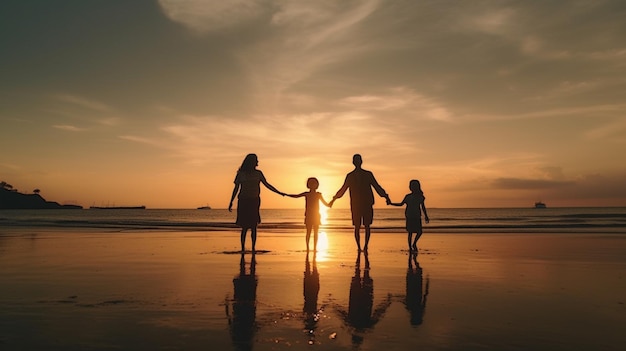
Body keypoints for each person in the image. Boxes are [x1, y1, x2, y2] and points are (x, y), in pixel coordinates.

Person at [329, 154, 390, 252]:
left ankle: (366, 246)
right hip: (356, 205)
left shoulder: (368, 174)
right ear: (353, 162)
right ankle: (358, 247)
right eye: (355, 160)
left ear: (361, 161)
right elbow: (343, 189)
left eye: (358, 160)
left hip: (367, 203)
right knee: (357, 226)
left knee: (367, 225)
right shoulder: (350, 176)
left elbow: (377, 187)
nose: (357, 162)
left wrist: (385, 196)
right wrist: (334, 199)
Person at [228, 153, 285, 252]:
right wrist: (231, 201)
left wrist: (279, 192)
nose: (258, 162)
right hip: (243, 201)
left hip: (254, 201)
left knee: (254, 226)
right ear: (251, 162)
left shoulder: (258, 173)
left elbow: (267, 184)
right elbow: (236, 188)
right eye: (256, 160)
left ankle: (253, 248)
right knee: (245, 227)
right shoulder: (241, 174)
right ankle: (243, 248)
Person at [286, 177, 330, 251]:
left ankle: (315, 248)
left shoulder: (318, 195)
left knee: (316, 232)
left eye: (314, 183)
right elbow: (296, 196)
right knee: (308, 232)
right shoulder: (306, 194)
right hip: (309, 215)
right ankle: (308, 248)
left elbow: (326, 204)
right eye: (311, 183)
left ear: (317, 185)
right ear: (308, 185)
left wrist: (333, 201)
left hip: (316, 215)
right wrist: (286, 194)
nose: (313, 185)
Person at [388, 179, 429, 251]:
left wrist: (426, 216)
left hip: (417, 216)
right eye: (411, 186)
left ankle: (414, 243)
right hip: (409, 215)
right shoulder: (408, 196)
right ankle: (410, 247)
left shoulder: (420, 197)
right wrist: (391, 203)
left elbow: (423, 207)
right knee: (410, 232)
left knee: (419, 232)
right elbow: (401, 204)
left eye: (413, 186)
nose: (411, 187)